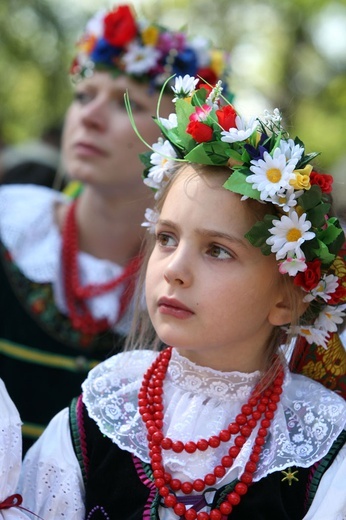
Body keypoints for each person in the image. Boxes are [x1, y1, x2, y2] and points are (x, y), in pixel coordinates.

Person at [18, 75, 346, 518]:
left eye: (217, 250)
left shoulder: (318, 450)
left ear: (286, 300)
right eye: (167, 238)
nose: (173, 269)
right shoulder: (100, 416)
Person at [0, 5, 230, 454]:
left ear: (184, 138)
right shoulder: (9, 229)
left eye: (130, 103)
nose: (90, 117)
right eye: (84, 96)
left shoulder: (198, 283)